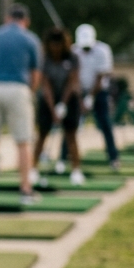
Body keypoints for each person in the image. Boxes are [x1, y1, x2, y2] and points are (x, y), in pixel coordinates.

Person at [0, 4, 41, 205]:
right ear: (26, 20)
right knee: (23, 142)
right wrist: (30, 93)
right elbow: (36, 73)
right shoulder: (30, 39)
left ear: (7, 18)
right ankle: (25, 189)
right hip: (17, 88)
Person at [35, 28, 84, 185]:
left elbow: (72, 82)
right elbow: (46, 86)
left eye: (58, 45)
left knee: (71, 135)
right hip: (48, 100)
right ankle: (32, 170)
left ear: (64, 44)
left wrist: (62, 105)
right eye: (52, 45)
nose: (55, 48)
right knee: (42, 134)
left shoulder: (73, 58)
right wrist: (53, 109)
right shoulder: (45, 59)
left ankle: (76, 171)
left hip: (70, 99)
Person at [72, 23, 119, 171]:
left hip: (99, 92)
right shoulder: (73, 51)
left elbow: (101, 76)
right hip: (79, 91)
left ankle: (113, 158)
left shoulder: (102, 50)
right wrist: (80, 98)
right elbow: (73, 77)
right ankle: (64, 158)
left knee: (105, 124)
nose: (85, 49)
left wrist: (90, 97)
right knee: (71, 125)